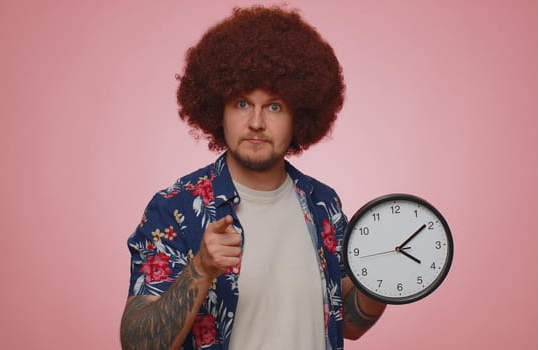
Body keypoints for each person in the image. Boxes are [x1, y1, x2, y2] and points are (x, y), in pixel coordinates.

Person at [120, 5, 386, 350]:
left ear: (299, 115)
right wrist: (200, 268)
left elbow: (348, 323)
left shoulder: (324, 205)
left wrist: (384, 276)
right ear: (220, 109)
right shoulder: (175, 208)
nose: (257, 122)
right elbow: (138, 344)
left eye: (274, 106)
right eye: (242, 103)